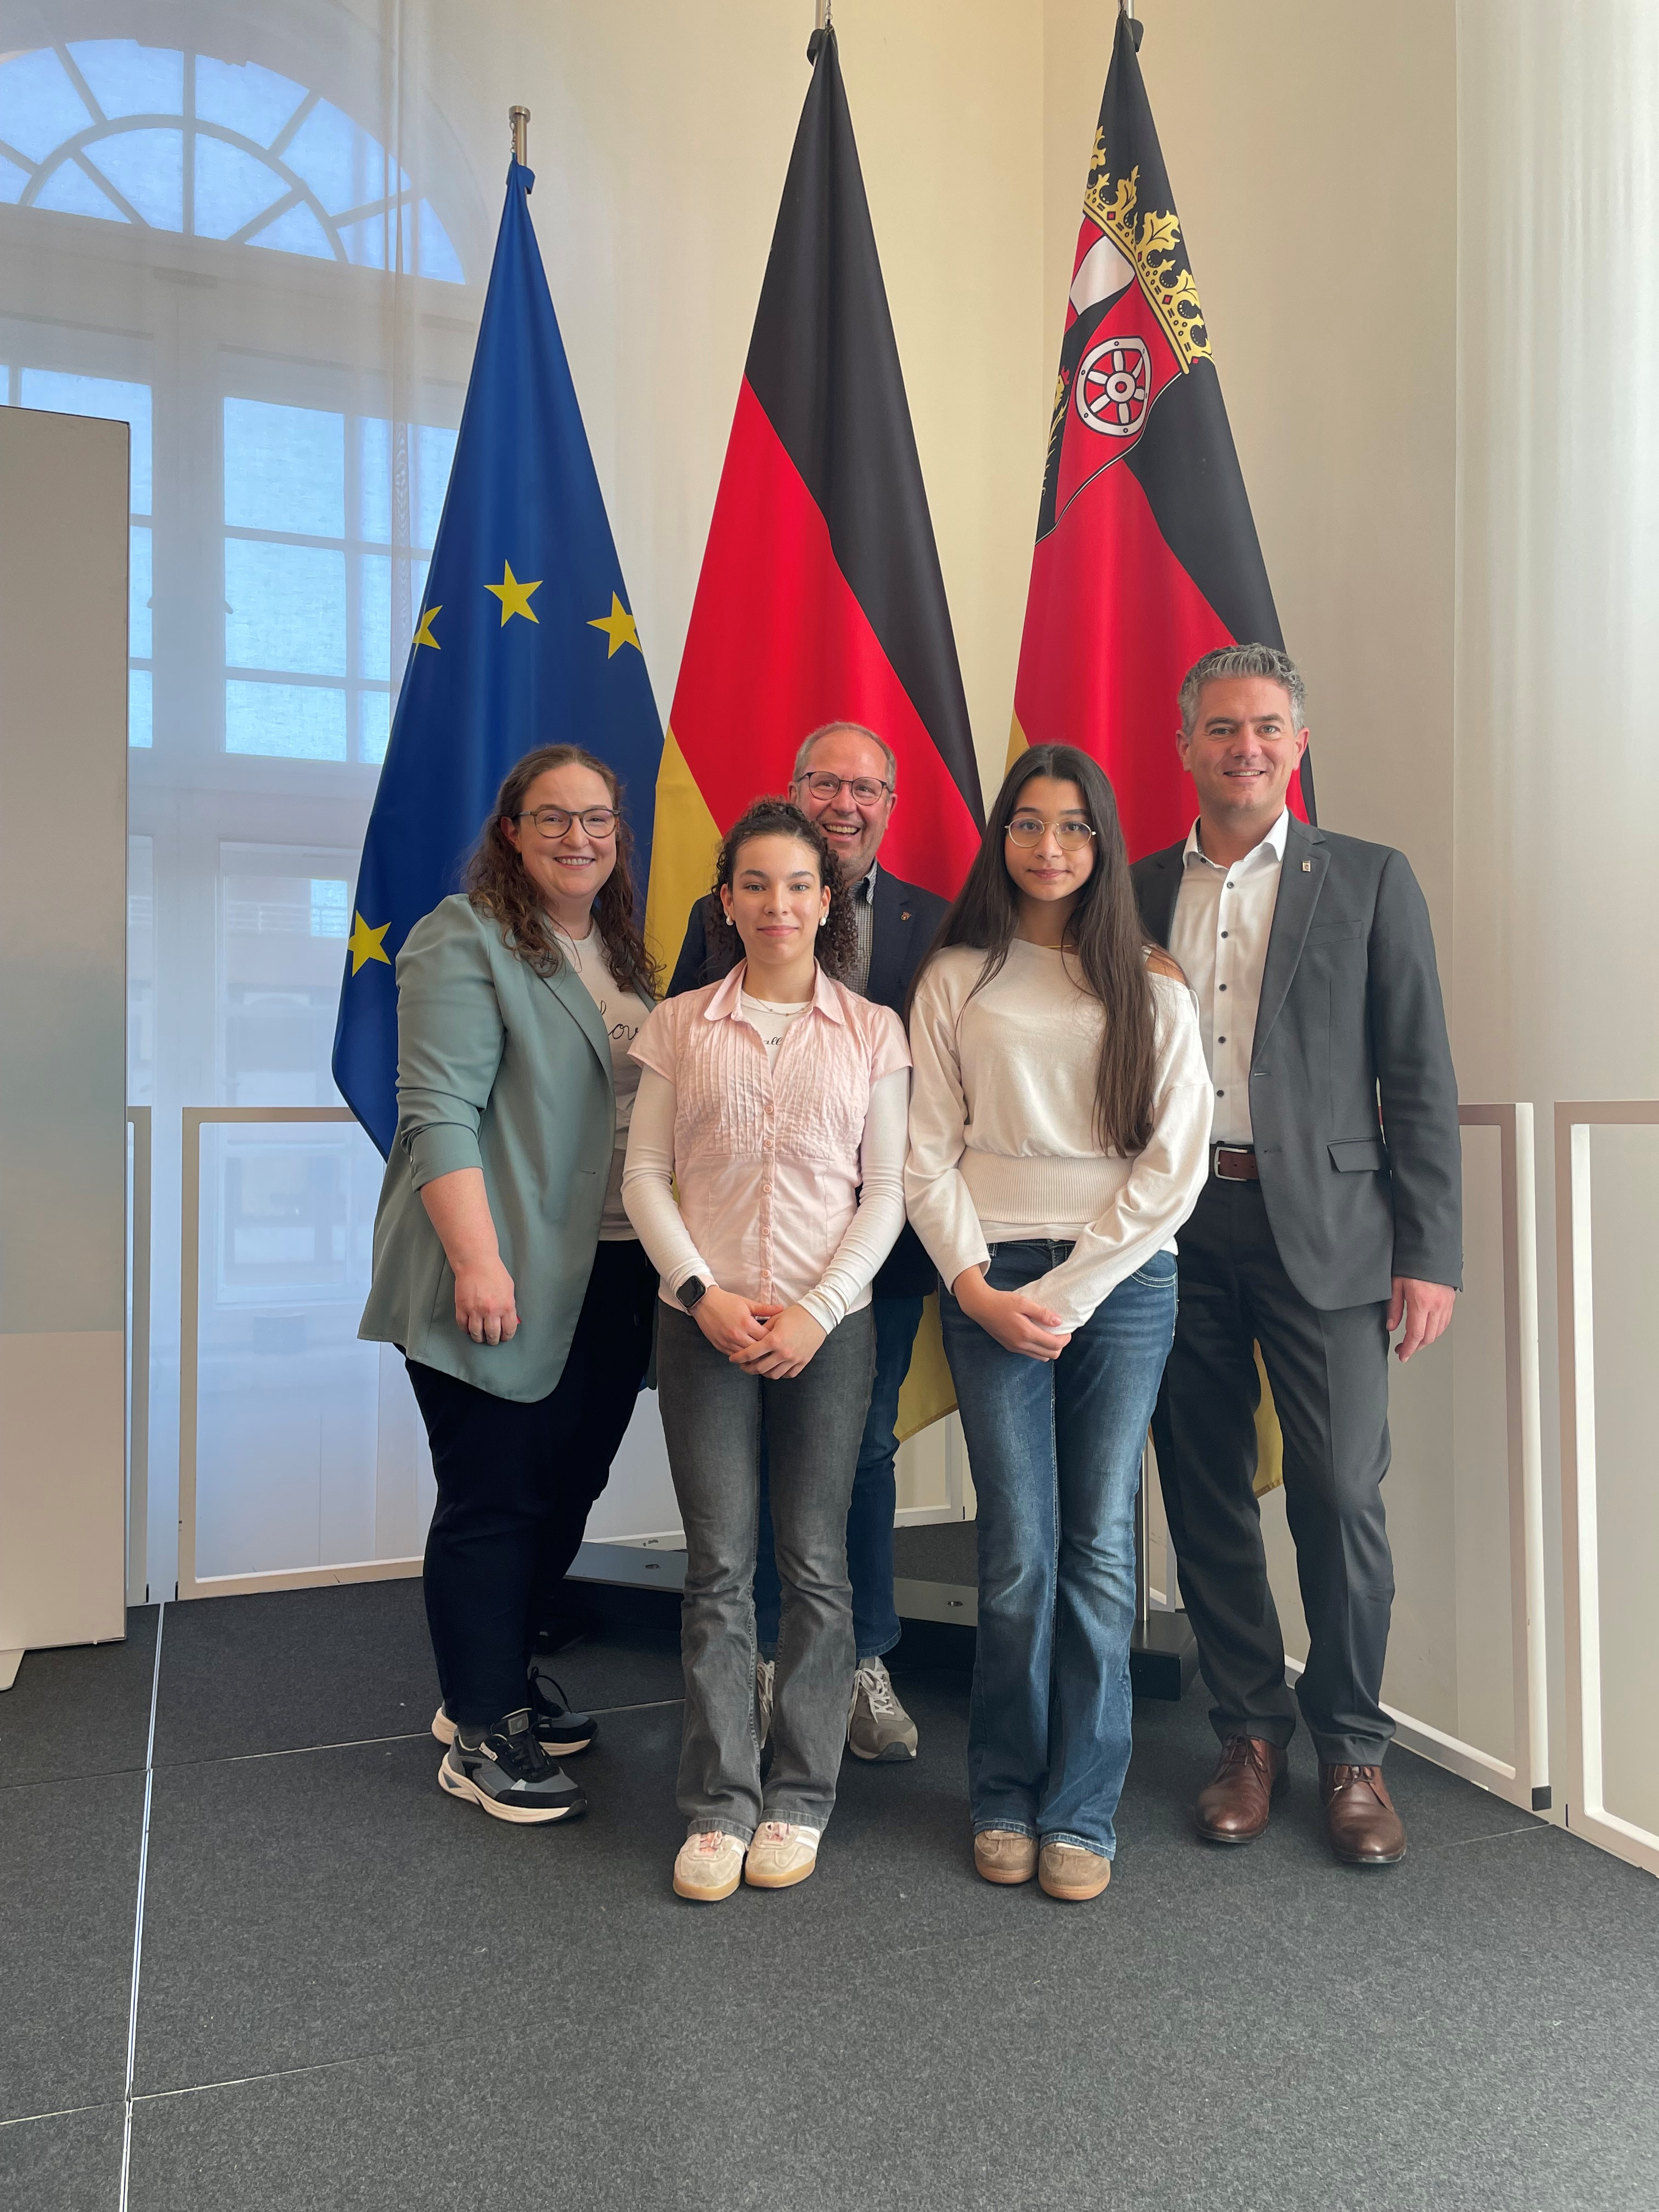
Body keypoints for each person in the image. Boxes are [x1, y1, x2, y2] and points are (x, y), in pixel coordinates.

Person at [1133, 644, 1461, 1867]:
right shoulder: (1133, 890)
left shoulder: (1369, 879)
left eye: (1268, 727)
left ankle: (1355, 1749)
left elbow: (1418, 1074)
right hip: (1176, 1232)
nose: (1247, 747)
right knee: (1204, 1488)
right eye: (1223, 727)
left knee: (1338, 1492)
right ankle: (1248, 1734)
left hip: (1330, 1235)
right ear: (1186, 745)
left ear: (1298, 745)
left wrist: (1429, 1253)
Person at [905, 744, 1211, 1901]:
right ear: (1002, 838)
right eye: (1029, 824)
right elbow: (924, 1154)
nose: (1050, 847)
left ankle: (1082, 1807)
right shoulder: (956, 977)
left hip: (1121, 1286)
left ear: (1103, 842)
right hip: (989, 1277)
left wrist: (1071, 1292)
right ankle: (1003, 1790)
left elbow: (1174, 1166)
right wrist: (977, 1288)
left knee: (1101, 1546)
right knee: (1019, 1550)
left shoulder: (1152, 980)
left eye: (1074, 827)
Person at [359, 744, 660, 1825]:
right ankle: (480, 1731)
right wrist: (478, 1263)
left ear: (618, 833)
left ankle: (494, 1686)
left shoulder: (619, 950)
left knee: (568, 1484)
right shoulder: (465, 936)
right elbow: (437, 1114)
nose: (578, 837)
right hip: (498, 1264)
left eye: (597, 818)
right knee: (495, 1496)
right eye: (552, 818)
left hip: (613, 1264)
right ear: (511, 833)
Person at [624, 797, 910, 1901]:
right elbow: (646, 1177)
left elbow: (884, 1192)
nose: (777, 904)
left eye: (798, 885)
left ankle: (800, 1796)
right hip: (701, 1328)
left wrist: (818, 1309)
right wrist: (702, 1293)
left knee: (817, 1565)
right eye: (756, 884)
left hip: (827, 1333)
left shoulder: (873, 1032)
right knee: (718, 1570)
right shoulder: (679, 1025)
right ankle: (719, 1804)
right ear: (727, 901)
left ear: (827, 901)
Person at [668, 723, 947, 1762]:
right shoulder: (721, 913)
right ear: (794, 789)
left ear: (890, 805)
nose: (845, 802)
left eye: (866, 788)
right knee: (744, 1468)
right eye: (824, 782)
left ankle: (858, 1658)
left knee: (857, 1452)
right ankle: (758, 1661)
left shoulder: (935, 922)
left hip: (876, 1252)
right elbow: (687, 1066)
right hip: (736, 1258)